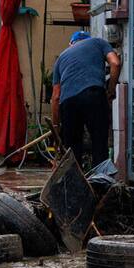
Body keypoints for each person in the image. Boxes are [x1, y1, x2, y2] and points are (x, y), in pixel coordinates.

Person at [51, 30, 121, 169]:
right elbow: (116, 64)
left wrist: (56, 127)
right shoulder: (98, 42)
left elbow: (56, 97)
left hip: (68, 103)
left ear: (71, 43)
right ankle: (100, 183)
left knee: (72, 150)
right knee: (99, 144)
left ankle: (75, 184)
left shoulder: (61, 58)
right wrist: (111, 90)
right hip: (94, 94)